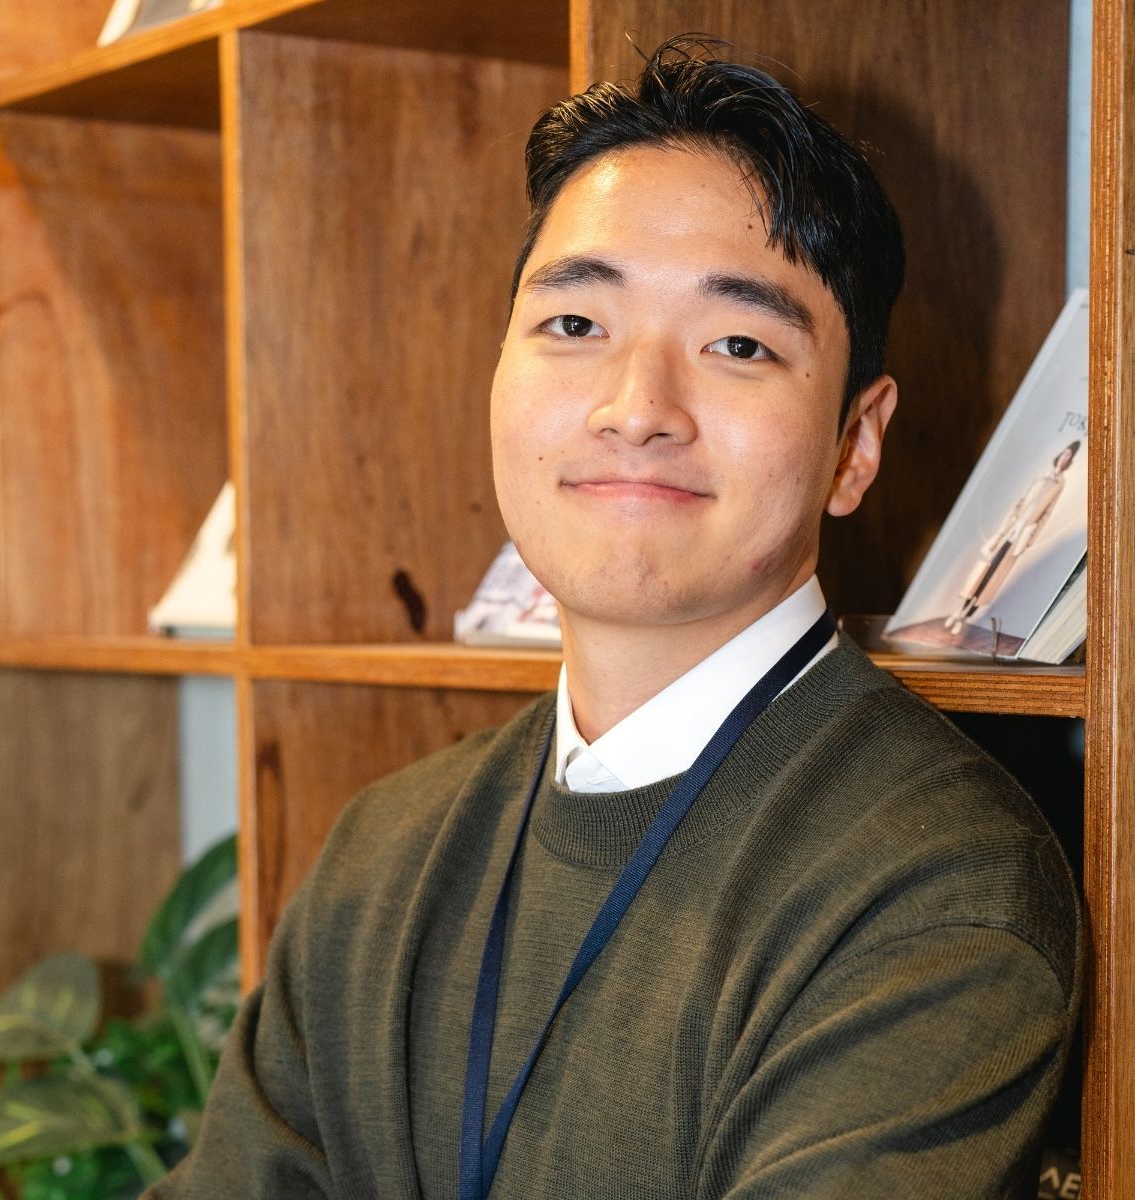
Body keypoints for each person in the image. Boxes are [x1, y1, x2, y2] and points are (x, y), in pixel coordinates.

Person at [145, 38, 1080, 1200]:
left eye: (739, 344)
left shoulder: (936, 888)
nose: (637, 408)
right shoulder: (384, 854)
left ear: (856, 442)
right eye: (576, 326)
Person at [944, 441, 1082, 637]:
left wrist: (1028, 541)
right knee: (983, 573)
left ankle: (965, 618)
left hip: (1021, 538)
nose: (1064, 458)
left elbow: (1045, 516)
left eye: (1069, 457)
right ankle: (958, 612)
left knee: (993, 581)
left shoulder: (1060, 484)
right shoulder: (1041, 476)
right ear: (1060, 455)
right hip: (1010, 531)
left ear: (1070, 461)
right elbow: (1020, 503)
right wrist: (1002, 532)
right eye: (1064, 454)